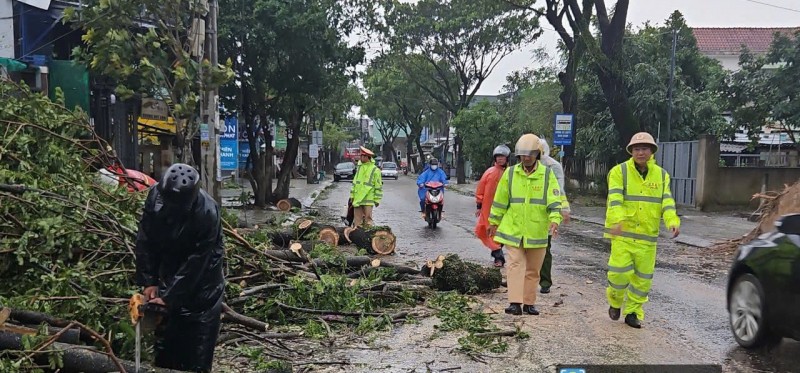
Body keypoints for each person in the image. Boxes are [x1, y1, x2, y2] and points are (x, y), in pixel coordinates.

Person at [134, 163, 225, 372]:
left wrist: (170, 296)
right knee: (166, 353)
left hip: (203, 289)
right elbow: (146, 240)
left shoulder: (207, 214)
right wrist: (149, 282)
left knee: (196, 357)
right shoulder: (155, 199)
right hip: (169, 272)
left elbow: (197, 263)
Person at [604, 132, 680, 329]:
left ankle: (633, 312)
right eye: (637, 149)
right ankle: (615, 301)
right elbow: (615, 200)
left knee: (642, 280)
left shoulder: (662, 175)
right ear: (631, 151)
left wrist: (672, 220)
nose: (641, 152)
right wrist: (618, 220)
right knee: (618, 274)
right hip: (623, 235)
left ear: (652, 151)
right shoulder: (619, 172)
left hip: (647, 238)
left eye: (645, 148)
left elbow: (667, 201)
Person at [488, 134, 563, 316]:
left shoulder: (547, 174)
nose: (526, 158)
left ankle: (529, 303)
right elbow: (500, 200)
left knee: (533, 269)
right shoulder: (511, 173)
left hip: (537, 230)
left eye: (529, 154)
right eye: (522, 154)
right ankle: (515, 303)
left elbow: (554, 199)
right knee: (514, 265)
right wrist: (494, 221)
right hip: (514, 229)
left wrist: (555, 219)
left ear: (537, 154)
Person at [537, 137, 571, 294]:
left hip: (546, 214)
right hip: (524, 215)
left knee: (544, 248)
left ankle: (545, 282)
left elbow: (559, 190)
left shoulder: (553, 167)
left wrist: (564, 209)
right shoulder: (521, 167)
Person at [475, 144, 511, 267]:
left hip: (507, 210)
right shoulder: (489, 172)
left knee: (501, 233)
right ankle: (498, 257)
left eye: (503, 157)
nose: (500, 159)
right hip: (489, 209)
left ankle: (499, 256)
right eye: (498, 157)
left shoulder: (512, 173)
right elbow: (480, 189)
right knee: (487, 231)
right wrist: (479, 206)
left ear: (507, 158)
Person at [349, 146, 383, 227]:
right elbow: (354, 183)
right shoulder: (359, 168)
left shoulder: (375, 170)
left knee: (368, 221)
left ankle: (368, 237)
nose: (360, 157)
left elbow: (378, 186)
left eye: (362, 156)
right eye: (360, 156)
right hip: (357, 200)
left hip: (368, 200)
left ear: (367, 157)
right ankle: (356, 238)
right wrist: (352, 196)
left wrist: (377, 200)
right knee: (357, 222)